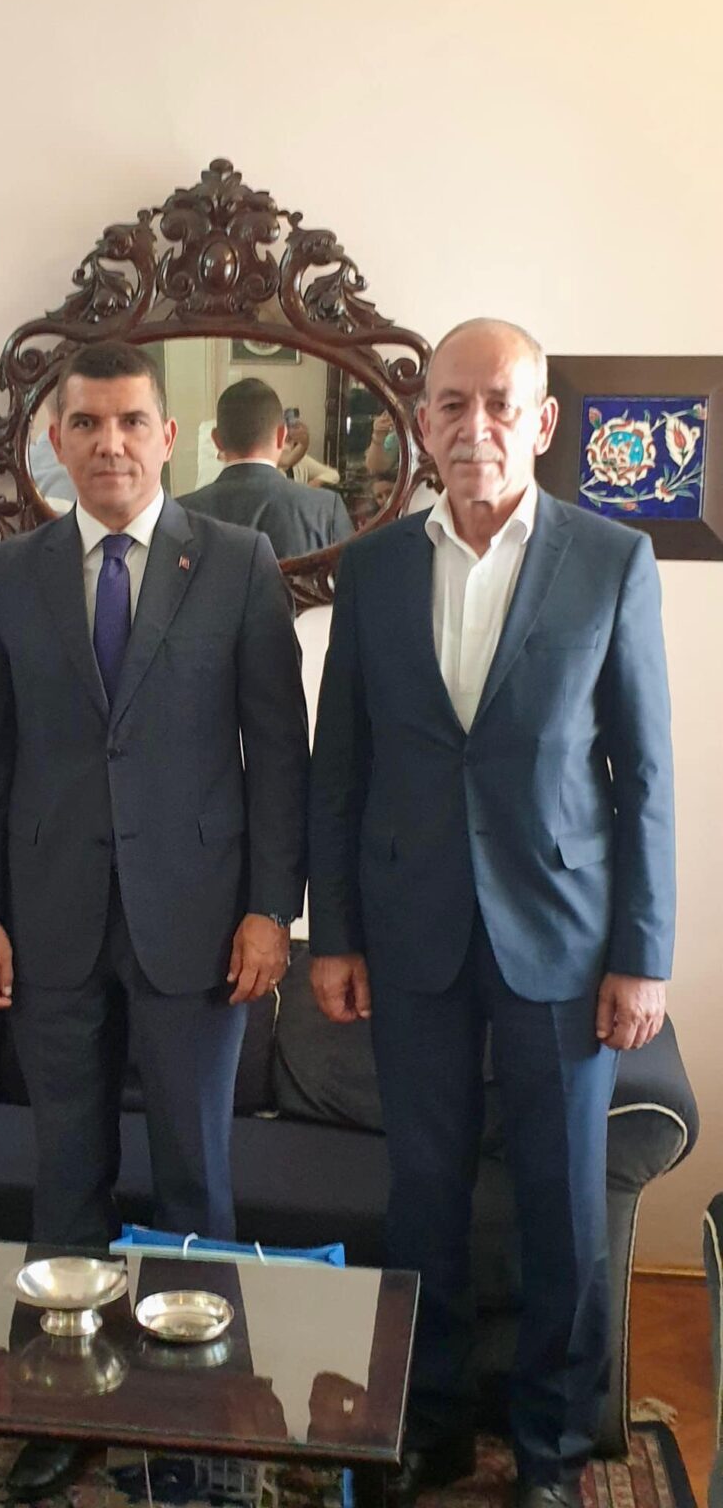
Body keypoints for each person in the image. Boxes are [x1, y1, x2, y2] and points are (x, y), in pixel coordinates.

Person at [308, 318, 676, 1508]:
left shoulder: (611, 560)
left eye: (500, 404)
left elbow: (645, 773)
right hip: (411, 931)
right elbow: (339, 763)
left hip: (563, 939)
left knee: (563, 1207)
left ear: (543, 421)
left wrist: (644, 954)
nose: (476, 427)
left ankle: (552, 1451)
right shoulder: (373, 568)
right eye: (453, 404)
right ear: (421, 423)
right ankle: (432, 1426)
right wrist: (335, 934)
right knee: (423, 1196)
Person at [0, 340, 309, 1497]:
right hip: (47, 925)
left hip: (198, 929)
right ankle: (61, 1412)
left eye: (131, 423)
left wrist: (271, 910)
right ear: (56, 440)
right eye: (88, 424)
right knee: (68, 1184)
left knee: (196, 1182)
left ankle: (196, 1429)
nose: (110, 444)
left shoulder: (238, 562)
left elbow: (279, 755)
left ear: (170, 437)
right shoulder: (13, 575)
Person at [183, 378, 353, 558]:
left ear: (217, 440)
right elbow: (351, 573)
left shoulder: (180, 515)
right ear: (281, 436)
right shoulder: (326, 510)